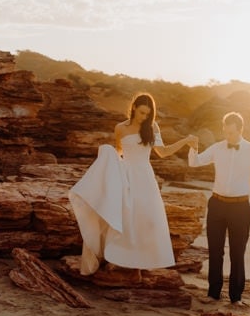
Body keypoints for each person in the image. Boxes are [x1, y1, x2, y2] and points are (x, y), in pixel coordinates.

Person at [69, 92, 195, 276]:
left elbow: (163, 152)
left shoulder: (152, 127)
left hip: (145, 176)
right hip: (126, 175)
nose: (144, 117)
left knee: (147, 218)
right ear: (134, 107)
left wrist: (185, 141)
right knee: (126, 217)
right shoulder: (120, 128)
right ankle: (118, 258)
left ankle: (140, 261)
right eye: (142, 112)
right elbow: (119, 151)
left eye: (148, 114)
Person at [186, 111, 250, 304]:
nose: (226, 135)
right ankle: (213, 293)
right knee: (215, 251)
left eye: (230, 132)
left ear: (240, 130)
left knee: (237, 253)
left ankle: (236, 297)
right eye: (225, 131)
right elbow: (194, 162)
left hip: (240, 208)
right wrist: (194, 148)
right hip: (217, 205)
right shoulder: (217, 148)